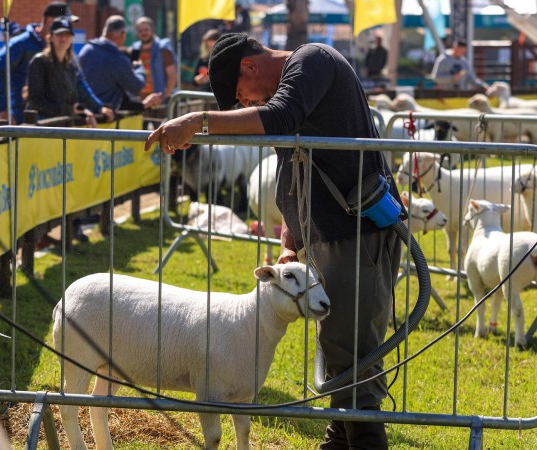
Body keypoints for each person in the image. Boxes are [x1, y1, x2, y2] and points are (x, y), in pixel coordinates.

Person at [144, 33, 403, 449]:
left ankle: (365, 441)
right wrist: (289, 239)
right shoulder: (295, 85)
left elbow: (279, 119)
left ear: (249, 66)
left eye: (241, 95)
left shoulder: (312, 60)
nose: (246, 104)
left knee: (354, 347)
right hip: (330, 235)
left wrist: (197, 122)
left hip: (357, 234)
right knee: (338, 343)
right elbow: (291, 173)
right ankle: (339, 438)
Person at [0, 1, 79, 124]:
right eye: (65, 21)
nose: (68, 26)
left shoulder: (61, 49)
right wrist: (3, 110)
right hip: (20, 118)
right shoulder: (21, 44)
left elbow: (79, 80)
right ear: (50, 21)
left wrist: (96, 107)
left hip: (49, 118)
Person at [26, 18, 114, 125]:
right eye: (59, 34)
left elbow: (82, 90)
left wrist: (99, 108)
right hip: (43, 129)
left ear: (72, 38)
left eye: (67, 35)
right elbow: (35, 102)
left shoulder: (72, 65)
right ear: (50, 37)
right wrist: (68, 110)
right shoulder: (39, 62)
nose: (63, 38)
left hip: (65, 127)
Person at [78, 15, 162, 112]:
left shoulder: (85, 50)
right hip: (106, 117)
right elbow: (136, 86)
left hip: (84, 116)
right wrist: (139, 66)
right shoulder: (118, 59)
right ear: (122, 34)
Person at [131, 17, 177, 104]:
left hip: (159, 102)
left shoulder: (163, 48)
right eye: (140, 30)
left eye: (146, 30)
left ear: (152, 30)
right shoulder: (135, 50)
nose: (143, 33)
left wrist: (165, 97)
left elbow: (172, 75)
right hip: (140, 102)